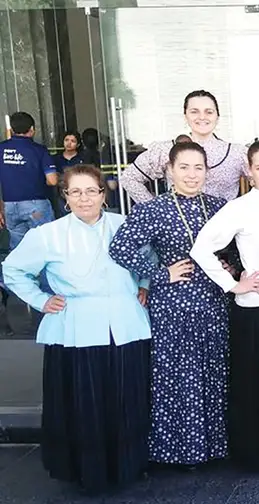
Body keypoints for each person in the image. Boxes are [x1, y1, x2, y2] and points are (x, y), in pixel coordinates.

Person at [1, 164, 151, 492]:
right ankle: (88, 471)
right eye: (75, 192)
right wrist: (40, 300)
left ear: (103, 194)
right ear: (65, 196)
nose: (84, 199)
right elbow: (11, 270)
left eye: (91, 191)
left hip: (125, 325)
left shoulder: (123, 225)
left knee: (126, 400)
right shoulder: (47, 234)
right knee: (86, 405)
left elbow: (146, 259)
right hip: (77, 328)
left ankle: (128, 465)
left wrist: (144, 283)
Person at [109, 142, 231, 469]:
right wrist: (160, 274)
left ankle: (216, 446)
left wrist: (232, 267)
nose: (192, 175)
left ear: (208, 171)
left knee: (213, 372)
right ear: (169, 171)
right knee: (180, 375)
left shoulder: (220, 206)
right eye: (184, 168)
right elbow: (120, 248)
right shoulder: (155, 209)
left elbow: (234, 250)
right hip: (173, 306)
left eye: (199, 168)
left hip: (213, 303)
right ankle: (182, 451)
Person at [189, 140, 259, 471]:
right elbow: (201, 249)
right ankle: (255, 455)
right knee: (255, 383)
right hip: (254, 307)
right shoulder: (239, 207)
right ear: (249, 171)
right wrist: (233, 284)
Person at [119, 90, 249, 204]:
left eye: (209, 112)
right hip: (179, 228)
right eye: (194, 112)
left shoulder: (236, 153)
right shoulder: (165, 150)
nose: (202, 117)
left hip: (224, 228)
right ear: (185, 116)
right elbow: (129, 177)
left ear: (217, 116)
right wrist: (157, 210)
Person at [0, 111, 59, 249]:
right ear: (32, 129)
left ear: (12, 130)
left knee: (19, 248)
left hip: (10, 206)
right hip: (35, 205)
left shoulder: (1, 148)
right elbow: (52, 181)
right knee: (45, 244)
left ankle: (21, 270)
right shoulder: (39, 150)